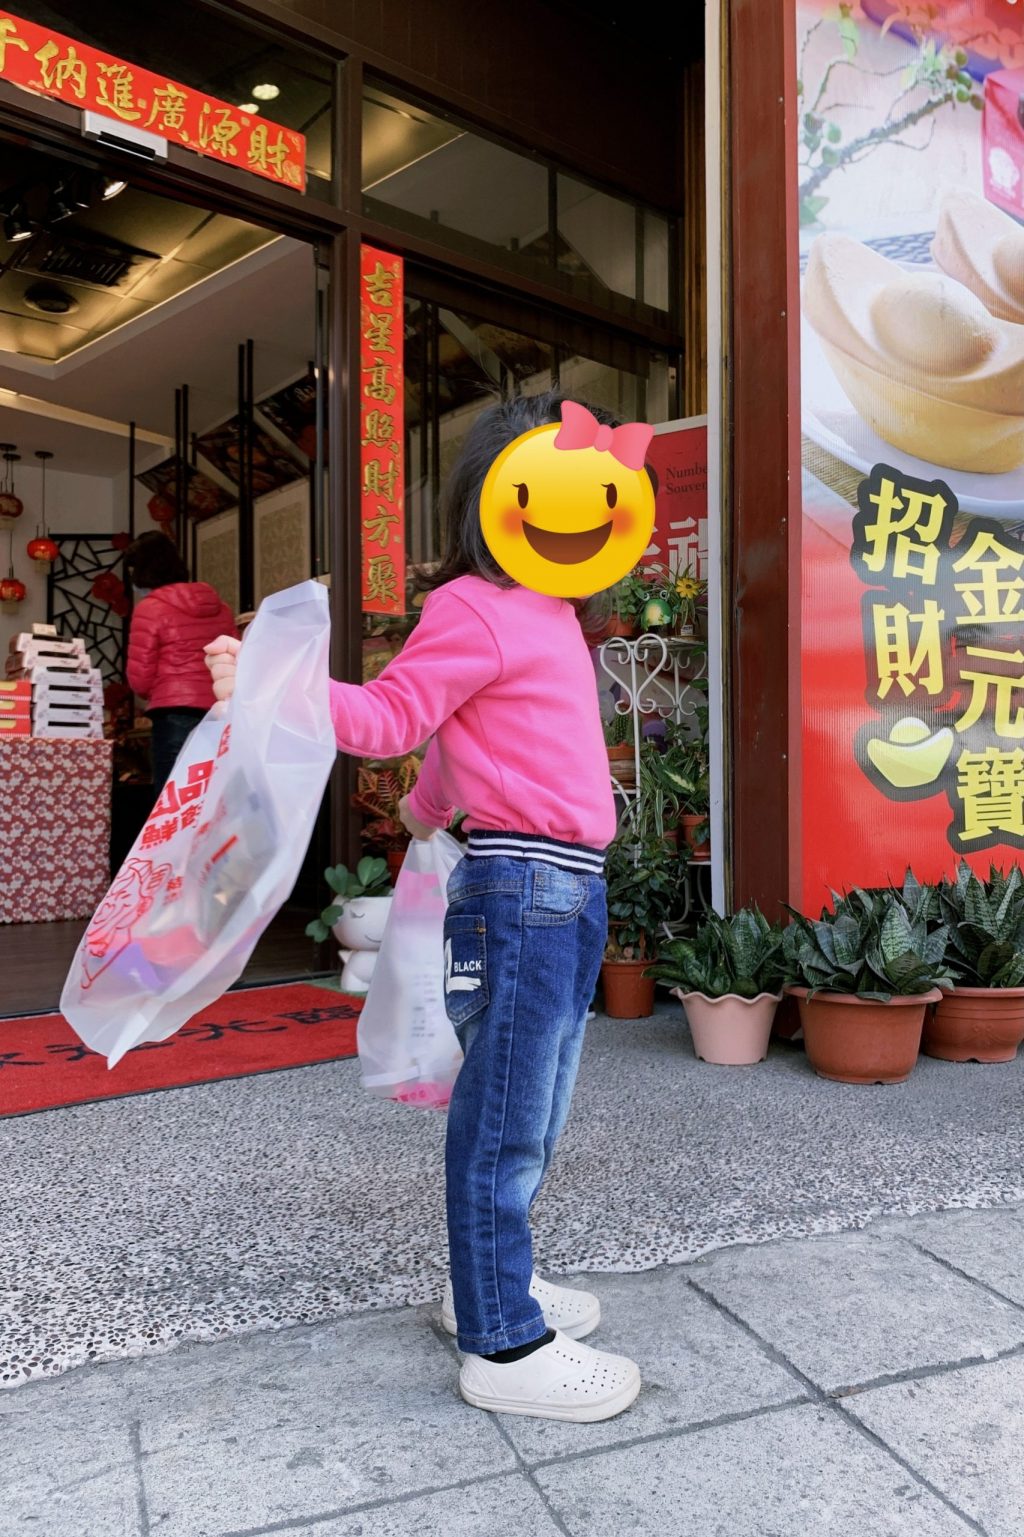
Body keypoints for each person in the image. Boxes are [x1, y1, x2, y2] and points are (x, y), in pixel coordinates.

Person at [205, 392, 643, 1424]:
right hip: (524, 885)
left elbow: (460, 739)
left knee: (534, 1108)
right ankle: (503, 1342)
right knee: (507, 1114)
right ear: (495, 499)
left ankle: (490, 1285)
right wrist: (267, 685)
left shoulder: (547, 611)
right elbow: (393, 715)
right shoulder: (473, 605)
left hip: (565, 885)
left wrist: (426, 810)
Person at [124, 531, 237, 796]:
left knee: (173, 797)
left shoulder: (150, 608)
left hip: (173, 714)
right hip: (219, 712)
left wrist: (155, 692)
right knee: (213, 796)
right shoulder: (220, 608)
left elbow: (140, 677)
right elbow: (235, 659)